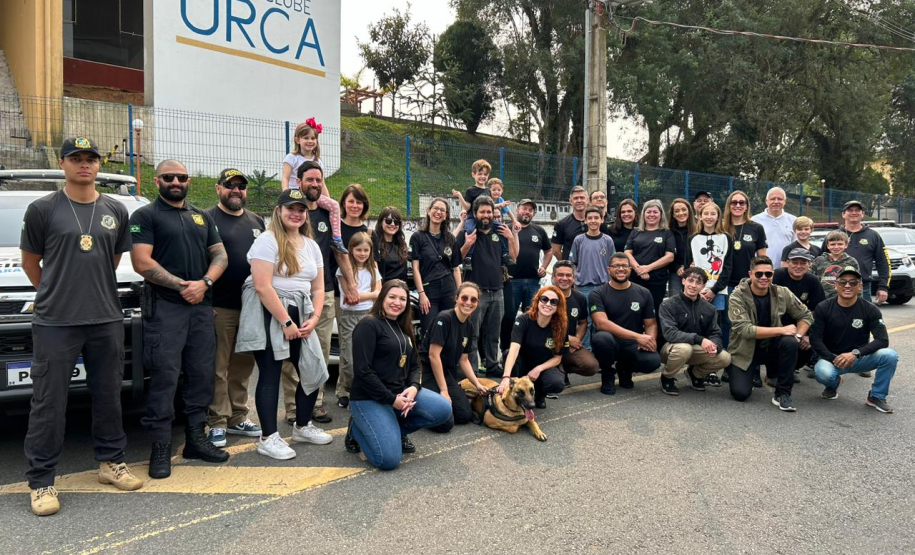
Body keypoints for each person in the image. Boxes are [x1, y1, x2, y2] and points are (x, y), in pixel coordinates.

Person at [20, 137, 142, 516]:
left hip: (105, 317)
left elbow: (113, 257)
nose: (84, 165)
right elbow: (31, 263)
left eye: (91, 159)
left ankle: (110, 463)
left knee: (108, 395)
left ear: (98, 165)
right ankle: (41, 481)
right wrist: (56, 293)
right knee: (49, 402)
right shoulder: (43, 209)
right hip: (56, 321)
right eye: (76, 158)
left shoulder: (114, 209)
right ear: (63, 164)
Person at [129, 159, 230, 479]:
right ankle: (160, 447)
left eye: (182, 177)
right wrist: (181, 286)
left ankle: (196, 440)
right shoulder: (145, 215)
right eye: (169, 177)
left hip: (200, 307)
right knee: (165, 377)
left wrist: (205, 284)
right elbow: (141, 262)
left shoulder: (201, 216)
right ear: (157, 181)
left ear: (188, 181)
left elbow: (220, 255)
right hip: (165, 308)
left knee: (201, 375)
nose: (176, 181)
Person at [238, 189, 332, 460]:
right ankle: (267, 438)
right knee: (270, 373)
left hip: (302, 313)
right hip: (271, 312)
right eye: (290, 208)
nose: (296, 213)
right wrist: (286, 320)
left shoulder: (311, 245)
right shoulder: (267, 241)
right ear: (279, 211)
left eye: (301, 209)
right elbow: (262, 286)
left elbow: (318, 287)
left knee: (312, 368)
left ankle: (302, 426)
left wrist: (313, 318)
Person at [347, 280, 452, 470]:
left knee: (443, 409)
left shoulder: (403, 327)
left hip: (400, 393)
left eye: (402, 299)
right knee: (388, 460)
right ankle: (356, 429)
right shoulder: (368, 325)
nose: (397, 302)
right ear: (382, 298)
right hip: (369, 398)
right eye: (392, 297)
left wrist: (413, 387)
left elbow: (414, 365)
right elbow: (362, 371)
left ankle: (392, 431)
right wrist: (391, 399)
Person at [287, 161, 351, 425]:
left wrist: (352, 284)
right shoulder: (292, 214)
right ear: (299, 182)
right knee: (291, 354)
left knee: (321, 352)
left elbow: (338, 252)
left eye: (318, 180)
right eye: (309, 180)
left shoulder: (328, 214)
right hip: (292, 295)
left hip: (323, 293)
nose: (314, 184)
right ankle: (292, 408)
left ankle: (316, 403)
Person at [205, 169, 265, 447]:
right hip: (220, 307)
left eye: (241, 186)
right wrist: (206, 301)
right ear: (218, 189)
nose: (236, 190)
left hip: (251, 306)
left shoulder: (256, 221)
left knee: (243, 365)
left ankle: (238, 416)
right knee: (219, 366)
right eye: (230, 186)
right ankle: (217, 421)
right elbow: (198, 261)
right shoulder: (207, 219)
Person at [726, 256, 813, 411]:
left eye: (768, 274)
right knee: (740, 393)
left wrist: (798, 335)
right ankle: (748, 372)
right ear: (750, 274)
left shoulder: (782, 292)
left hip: (772, 346)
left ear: (773, 274)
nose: (764, 278)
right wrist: (782, 330)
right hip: (745, 350)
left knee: (791, 342)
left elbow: (805, 315)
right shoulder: (737, 296)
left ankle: (782, 394)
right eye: (759, 274)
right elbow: (745, 330)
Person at [809, 268, 898, 413]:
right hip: (833, 358)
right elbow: (815, 339)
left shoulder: (870, 309)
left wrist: (856, 353)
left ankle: (876, 396)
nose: (847, 286)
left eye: (853, 282)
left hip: (859, 357)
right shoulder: (823, 307)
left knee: (890, 355)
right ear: (836, 285)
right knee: (823, 373)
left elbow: (882, 340)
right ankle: (833, 384)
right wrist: (833, 357)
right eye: (843, 282)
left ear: (860, 286)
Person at [456, 195, 519, 376]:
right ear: (475, 213)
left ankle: (492, 366)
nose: (486, 215)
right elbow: (457, 259)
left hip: (497, 290)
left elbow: (513, 259)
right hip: (475, 295)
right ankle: (473, 369)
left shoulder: (500, 233)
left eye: (489, 212)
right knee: (473, 334)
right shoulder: (468, 233)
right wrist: (467, 245)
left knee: (493, 334)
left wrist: (511, 238)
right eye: (482, 211)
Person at [418, 282, 490, 434]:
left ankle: (436, 401)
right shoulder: (444, 319)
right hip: (428, 371)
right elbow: (433, 356)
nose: (468, 303)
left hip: (446, 372)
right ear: (456, 298)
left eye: (473, 300)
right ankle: (418, 405)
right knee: (445, 424)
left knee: (464, 415)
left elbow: (463, 360)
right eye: (464, 298)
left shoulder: (469, 326)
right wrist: (444, 391)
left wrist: (477, 384)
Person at [590, 253, 662, 395]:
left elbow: (651, 324)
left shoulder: (644, 292)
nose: (621, 269)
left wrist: (649, 340)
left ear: (630, 269)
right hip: (611, 341)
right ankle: (607, 374)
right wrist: (637, 336)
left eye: (624, 266)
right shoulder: (597, 293)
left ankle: (625, 368)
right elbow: (601, 323)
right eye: (616, 266)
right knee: (601, 338)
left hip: (632, 344)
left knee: (653, 361)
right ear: (608, 270)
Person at [657, 268, 731, 396]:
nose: (693, 285)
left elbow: (715, 332)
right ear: (683, 281)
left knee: (725, 358)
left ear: (703, 286)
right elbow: (670, 333)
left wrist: (715, 346)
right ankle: (667, 377)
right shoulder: (668, 304)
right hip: (670, 348)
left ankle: (694, 374)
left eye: (698, 283)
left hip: (695, 348)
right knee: (684, 349)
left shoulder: (709, 309)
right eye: (690, 280)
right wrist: (699, 339)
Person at [281, 118, 347, 253]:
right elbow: (285, 177)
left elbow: (322, 183)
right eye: (306, 138)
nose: (310, 141)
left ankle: (336, 239)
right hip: (296, 194)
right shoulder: (292, 158)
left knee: (334, 205)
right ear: (297, 140)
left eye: (313, 138)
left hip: (313, 196)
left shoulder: (318, 161)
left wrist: (328, 200)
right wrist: (286, 195)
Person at [497, 285, 569, 409]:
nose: (548, 304)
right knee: (507, 353)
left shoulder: (561, 326)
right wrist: (506, 377)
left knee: (556, 383)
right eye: (544, 299)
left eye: (554, 301)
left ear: (558, 306)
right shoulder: (523, 320)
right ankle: (515, 395)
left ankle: (540, 395)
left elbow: (558, 358)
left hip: (543, 366)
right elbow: (513, 351)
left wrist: (539, 368)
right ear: (537, 301)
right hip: (523, 365)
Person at [331, 185, 371, 407]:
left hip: (360, 298)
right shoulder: (335, 226)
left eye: (359, 202)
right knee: (345, 346)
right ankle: (341, 390)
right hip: (338, 291)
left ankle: (346, 390)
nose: (355, 205)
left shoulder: (366, 231)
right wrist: (349, 288)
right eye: (351, 201)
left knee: (355, 348)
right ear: (343, 203)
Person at [335, 232, 382, 409]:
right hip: (349, 316)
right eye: (358, 249)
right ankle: (346, 388)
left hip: (369, 315)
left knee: (368, 357)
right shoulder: (343, 270)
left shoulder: (373, 270)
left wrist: (368, 296)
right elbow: (350, 297)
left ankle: (360, 393)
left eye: (366, 250)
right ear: (351, 250)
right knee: (349, 359)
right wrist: (372, 294)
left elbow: (380, 294)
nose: (362, 253)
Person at [720, 190, 767, 349]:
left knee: (750, 322)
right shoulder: (720, 227)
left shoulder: (756, 228)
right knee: (726, 322)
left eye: (742, 202)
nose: (738, 205)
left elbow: (762, 259)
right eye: (734, 202)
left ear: (747, 206)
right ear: (728, 205)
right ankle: (727, 360)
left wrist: (762, 280)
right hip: (724, 284)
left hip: (748, 284)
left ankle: (751, 366)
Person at [411, 198, 463, 336]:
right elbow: (415, 268)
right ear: (428, 211)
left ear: (446, 215)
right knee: (430, 331)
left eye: (442, 210)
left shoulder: (450, 238)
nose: (438, 212)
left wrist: (460, 294)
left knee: (451, 329)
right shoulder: (418, 237)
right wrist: (421, 294)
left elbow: (456, 269)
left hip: (449, 288)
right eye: (436, 208)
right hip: (429, 289)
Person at [568, 206, 616, 350]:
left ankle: (601, 350)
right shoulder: (579, 240)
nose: (593, 221)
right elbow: (573, 263)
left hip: (603, 287)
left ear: (602, 220)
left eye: (596, 218)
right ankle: (586, 349)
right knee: (586, 320)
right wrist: (574, 283)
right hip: (584, 287)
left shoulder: (607, 240)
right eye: (590, 218)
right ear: (585, 220)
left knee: (601, 321)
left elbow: (613, 264)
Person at [773, 248, 825, 379]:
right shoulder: (777, 276)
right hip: (776, 323)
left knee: (809, 343)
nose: (798, 266)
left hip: (801, 324)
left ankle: (793, 368)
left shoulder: (813, 281)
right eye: (795, 262)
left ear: (809, 264)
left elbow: (816, 311)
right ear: (788, 262)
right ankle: (772, 370)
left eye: (803, 263)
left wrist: (807, 335)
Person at [624, 199, 676, 316]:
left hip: (657, 281)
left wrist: (648, 268)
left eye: (655, 212)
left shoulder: (666, 233)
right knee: (634, 311)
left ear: (661, 214)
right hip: (635, 279)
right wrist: (638, 269)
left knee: (654, 311)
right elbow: (627, 252)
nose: (651, 215)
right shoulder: (636, 231)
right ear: (643, 214)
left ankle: (654, 335)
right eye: (648, 212)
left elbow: (670, 257)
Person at [552, 261, 600, 379]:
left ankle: (563, 368)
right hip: (548, 343)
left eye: (568, 275)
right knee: (553, 383)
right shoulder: (545, 296)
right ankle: (552, 370)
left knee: (591, 366)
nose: (565, 278)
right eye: (560, 275)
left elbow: (583, 323)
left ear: (573, 278)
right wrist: (566, 339)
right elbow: (537, 326)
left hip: (569, 345)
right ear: (553, 277)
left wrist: (577, 339)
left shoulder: (580, 298)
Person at [838, 200, 891, 304]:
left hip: (863, 287)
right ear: (843, 214)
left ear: (863, 214)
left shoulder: (873, 236)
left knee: (865, 319)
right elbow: (821, 261)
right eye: (850, 210)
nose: (854, 213)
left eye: (857, 210)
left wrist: (883, 287)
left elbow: (883, 263)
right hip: (836, 286)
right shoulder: (834, 236)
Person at [684, 202, 733, 313]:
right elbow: (687, 267)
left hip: (718, 290)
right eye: (706, 213)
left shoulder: (726, 238)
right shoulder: (693, 239)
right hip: (696, 291)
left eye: (713, 214)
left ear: (718, 217)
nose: (709, 217)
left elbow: (727, 267)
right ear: (700, 216)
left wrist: (714, 290)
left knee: (716, 323)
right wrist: (697, 289)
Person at [509, 198, 552, 313]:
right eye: (524, 208)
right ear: (517, 210)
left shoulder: (539, 230)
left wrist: (544, 267)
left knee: (531, 316)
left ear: (533, 214)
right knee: (509, 316)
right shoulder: (507, 228)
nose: (527, 212)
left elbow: (549, 251)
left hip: (533, 281)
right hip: (512, 281)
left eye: (530, 210)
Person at [811, 230, 861, 301]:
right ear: (827, 245)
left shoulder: (852, 262)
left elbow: (858, 283)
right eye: (833, 244)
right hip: (822, 300)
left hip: (845, 300)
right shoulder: (819, 261)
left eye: (840, 244)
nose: (836, 247)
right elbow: (811, 280)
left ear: (846, 245)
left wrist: (859, 301)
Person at [752, 187, 795, 267]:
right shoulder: (754, 220)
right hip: (762, 271)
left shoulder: (793, 221)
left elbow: (796, 246)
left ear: (785, 201)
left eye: (779, 199)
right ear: (766, 201)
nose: (776, 202)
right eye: (772, 199)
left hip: (786, 271)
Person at [551, 185, 589, 261]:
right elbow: (555, 250)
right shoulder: (561, 224)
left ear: (587, 200)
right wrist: (567, 264)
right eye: (575, 198)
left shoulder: (596, 223)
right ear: (570, 201)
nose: (579, 200)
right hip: (572, 270)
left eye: (582, 197)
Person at [372, 206, 409, 283]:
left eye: (396, 222)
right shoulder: (374, 244)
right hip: (384, 290)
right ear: (381, 222)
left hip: (401, 289)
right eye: (388, 221)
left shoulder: (401, 244)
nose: (392, 224)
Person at [667, 198, 696, 297]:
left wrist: (691, 264)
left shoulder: (697, 231)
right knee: (675, 304)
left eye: (684, 209)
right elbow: (665, 254)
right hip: (675, 273)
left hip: (694, 272)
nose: (681, 213)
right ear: (673, 215)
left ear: (689, 211)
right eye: (677, 211)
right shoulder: (668, 232)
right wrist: (676, 267)